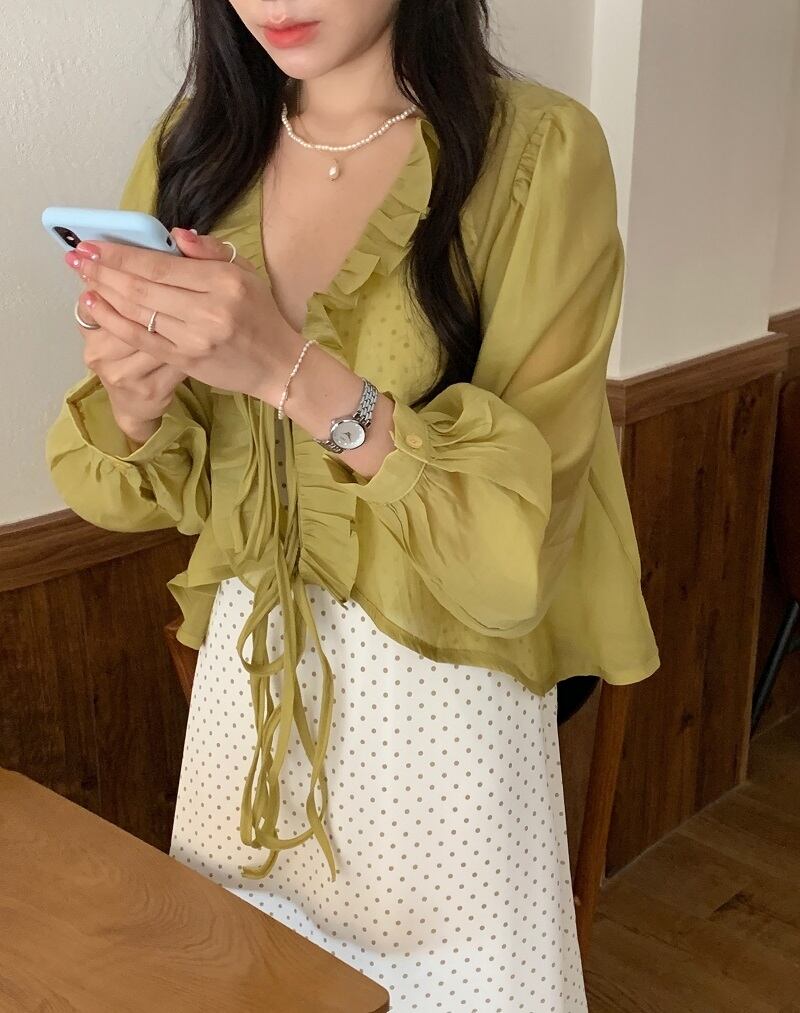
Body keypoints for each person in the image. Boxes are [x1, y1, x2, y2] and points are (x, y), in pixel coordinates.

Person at [44, 1, 661, 1008]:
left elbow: (511, 557)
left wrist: (289, 371)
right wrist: (133, 399)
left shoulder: (539, 152)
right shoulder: (193, 151)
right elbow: (136, 487)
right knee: (250, 980)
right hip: (248, 699)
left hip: (442, 707)